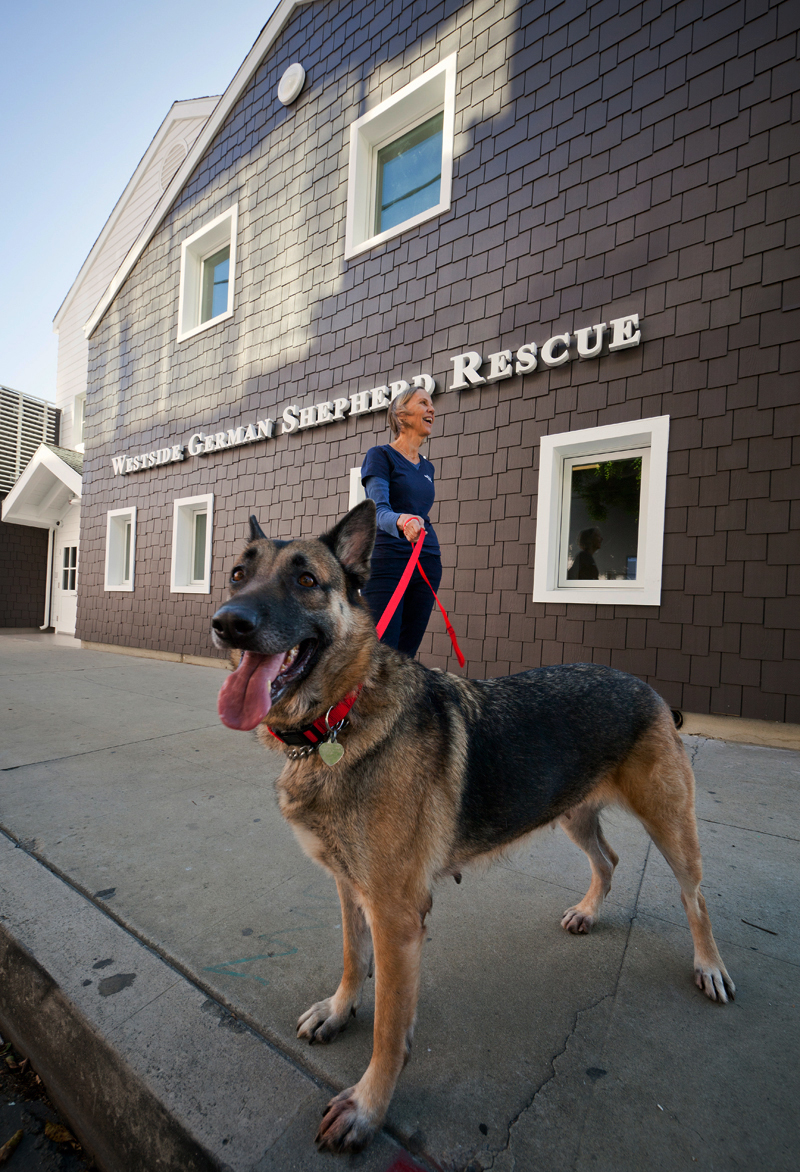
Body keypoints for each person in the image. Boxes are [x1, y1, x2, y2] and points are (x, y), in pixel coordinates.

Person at [360, 387, 442, 657]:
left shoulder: (427, 467)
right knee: (382, 651)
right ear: (401, 415)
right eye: (423, 403)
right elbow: (378, 510)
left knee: (406, 654)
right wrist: (402, 520)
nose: (431, 409)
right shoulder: (380, 455)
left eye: (432, 404)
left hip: (426, 560)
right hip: (388, 561)